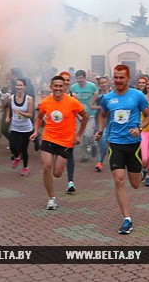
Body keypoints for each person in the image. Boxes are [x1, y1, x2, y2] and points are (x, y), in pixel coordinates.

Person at [96, 64, 149, 235]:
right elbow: (103, 115)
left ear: (128, 79)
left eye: (122, 77)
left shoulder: (138, 96)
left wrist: (139, 128)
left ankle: (140, 171)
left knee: (135, 184)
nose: (118, 80)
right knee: (119, 179)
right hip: (115, 143)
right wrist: (100, 129)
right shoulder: (108, 98)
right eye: (116, 77)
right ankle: (127, 219)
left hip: (133, 145)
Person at [30, 75, 88, 210]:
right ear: (51, 87)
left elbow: (85, 116)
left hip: (66, 140)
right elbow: (39, 118)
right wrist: (35, 131)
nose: (58, 88)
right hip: (49, 137)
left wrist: (78, 135)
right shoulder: (45, 102)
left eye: (60, 86)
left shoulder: (72, 102)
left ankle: (58, 165)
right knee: (46, 166)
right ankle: (51, 199)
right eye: (55, 86)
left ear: (65, 87)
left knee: (57, 173)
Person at [7, 78, 34, 176]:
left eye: (21, 85)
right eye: (17, 85)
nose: (19, 87)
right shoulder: (11, 98)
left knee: (24, 149)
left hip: (26, 128)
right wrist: (7, 117)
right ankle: (17, 157)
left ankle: (25, 167)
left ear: (25, 87)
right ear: (15, 86)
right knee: (13, 146)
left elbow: (30, 115)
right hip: (15, 126)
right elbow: (9, 109)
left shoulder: (29, 99)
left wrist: (21, 113)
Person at [70, 70, 99, 162]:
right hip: (79, 116)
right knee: (80, 137)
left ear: (85, 78)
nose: (80, 80)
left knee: (88, 134)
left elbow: (96, 92)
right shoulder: (73, 88)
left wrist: (92, 103)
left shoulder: (91, 86)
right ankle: (84, 155)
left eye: (81, 78)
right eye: (78, 78)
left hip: (90, 115)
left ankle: (93, 143)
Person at [90, 76, 111, 172]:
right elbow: (91, 106)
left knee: (107, 143)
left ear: (108, 83)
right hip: (100, 121)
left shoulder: (113, 93)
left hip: (111, 121)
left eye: (105, 82)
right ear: (99, 85)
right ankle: (100, 161)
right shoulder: (97, 94)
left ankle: (100, 162)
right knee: (103, 143)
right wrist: (101, 108)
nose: (103, 85)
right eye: (101, 83)